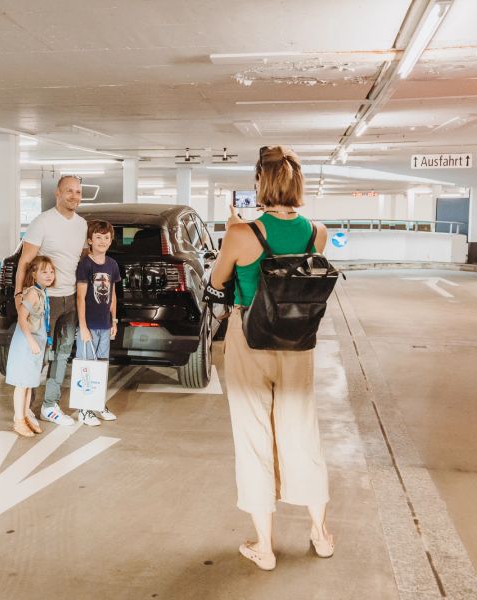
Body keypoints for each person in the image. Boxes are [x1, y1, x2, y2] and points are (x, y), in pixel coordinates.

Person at [207, 145, 332, 571]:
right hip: (299, 343)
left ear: (261, 183)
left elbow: (218, 278)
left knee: (254, 437)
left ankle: (265, 546)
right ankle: (320, 532)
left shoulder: (243, 233)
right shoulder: (318, 231)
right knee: (302, 432)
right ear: (296, 184)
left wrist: (231, 229)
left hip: (251, 339)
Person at [14, 175, 87, 427]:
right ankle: (26, 408)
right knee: (38, 354)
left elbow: (81, 262)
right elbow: (25, 262)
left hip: (70, 299)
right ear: (57, 193)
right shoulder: (43, 222)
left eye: (78, 192)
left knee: (63, 354)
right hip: (46, 301)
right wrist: (18, 294)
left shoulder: (82, 225)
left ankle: (50, 406)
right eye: (69, 191)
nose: (74, 196)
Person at [74, 220, 121, 426]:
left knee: (101, 366)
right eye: (98, 237)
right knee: (87, 367)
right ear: (90, 240)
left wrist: (114, 321)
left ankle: (98, 404)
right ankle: (84, 409)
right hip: (89, 326)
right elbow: (80, 297)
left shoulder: (112, 264)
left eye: (106, 238)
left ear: (111, 241)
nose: (103, 241)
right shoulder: (86, 264)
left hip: (105, 324)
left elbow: (113, 294)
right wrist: (83, 327)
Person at [5, 256, 56, 437]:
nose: (49, 275)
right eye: (44, 271)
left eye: (51, 271)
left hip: (36, 343)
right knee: (21, 384)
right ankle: (18, 421)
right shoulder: (33, 293)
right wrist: (31, 340)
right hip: (27, 344)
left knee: (28, 383)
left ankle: (25, 416)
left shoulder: (42, 292)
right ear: (34, 274)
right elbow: (21, 317)